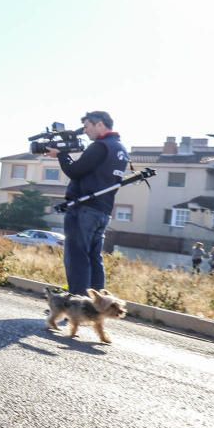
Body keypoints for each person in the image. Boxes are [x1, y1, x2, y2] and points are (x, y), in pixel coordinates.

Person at [47, 111, 129, 295]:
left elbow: (75, 171)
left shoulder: (100, 146)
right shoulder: (120, 148)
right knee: (94, 257)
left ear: (99, 124)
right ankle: (97, 304)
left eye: (87, 126)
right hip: (104, 210)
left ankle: (78, 302)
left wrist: (61, 155)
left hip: (84, 208)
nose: (85, 131)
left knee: (77, 256)